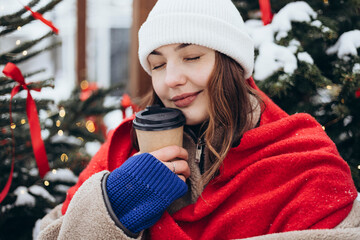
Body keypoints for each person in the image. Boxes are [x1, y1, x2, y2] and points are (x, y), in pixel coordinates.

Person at [38, 0, 360, 239]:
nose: (171, 79)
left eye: (191, 57)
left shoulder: (301, 159)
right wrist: (114, 206)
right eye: (158, 64)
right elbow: (51, 233)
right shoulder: (123, 148)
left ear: (231, 63)